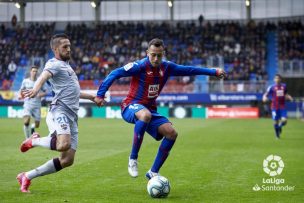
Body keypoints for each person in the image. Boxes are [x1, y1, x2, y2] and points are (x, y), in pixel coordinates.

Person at [94, 38, 226, 179]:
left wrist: (213, 72)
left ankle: (153, 172)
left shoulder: (167, 67)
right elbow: (115, 73)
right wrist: (100, 94)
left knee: (171, 133)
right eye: (153, 55)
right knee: (145, 115)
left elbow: (190, 69)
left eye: (159, 55)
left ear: (163, 53)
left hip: (150, 110)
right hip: (130, 106)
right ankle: (133, 159)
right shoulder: (139, 66)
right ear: (147, 53)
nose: (156, 58)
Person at [17, 33, 97, 193]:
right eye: (65, 47)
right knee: (63, 145)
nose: (69, 49)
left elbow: (75, 92)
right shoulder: (53, 63)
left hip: (72, 117)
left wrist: (93, 98)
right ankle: (34, 141)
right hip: (59, 110)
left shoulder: (68, 67)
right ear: (55, 49)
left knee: (67, 160)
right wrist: (36, 88)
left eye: (69, 46)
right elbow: (44, 75)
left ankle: (26, 176)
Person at [19, 66, 47, 138]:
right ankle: (27, 138)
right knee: (26, 121)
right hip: (28, 104)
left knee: (37, 124)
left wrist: (41, 94)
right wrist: (20, 95)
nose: (34, 72)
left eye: (36, 71)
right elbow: (21, 90)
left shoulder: (39, 82)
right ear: (30, 72)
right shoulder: (25, 81)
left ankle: (32, 127)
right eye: (33, 71)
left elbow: (46, 91)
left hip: (37, 105)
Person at [263, 74, 293, 138]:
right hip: (274, 107)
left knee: (284, 121)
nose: (277, 79)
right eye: (276, 78)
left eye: (278, 78)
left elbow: (286, 94)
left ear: (280, 79)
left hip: (282, 106)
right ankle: (277, 135)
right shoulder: (271, 87)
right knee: (276, 121)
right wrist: (264, 98)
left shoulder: (284, 86)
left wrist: (289, 97)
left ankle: (280, 126)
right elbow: (266, 94)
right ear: (274, 79)